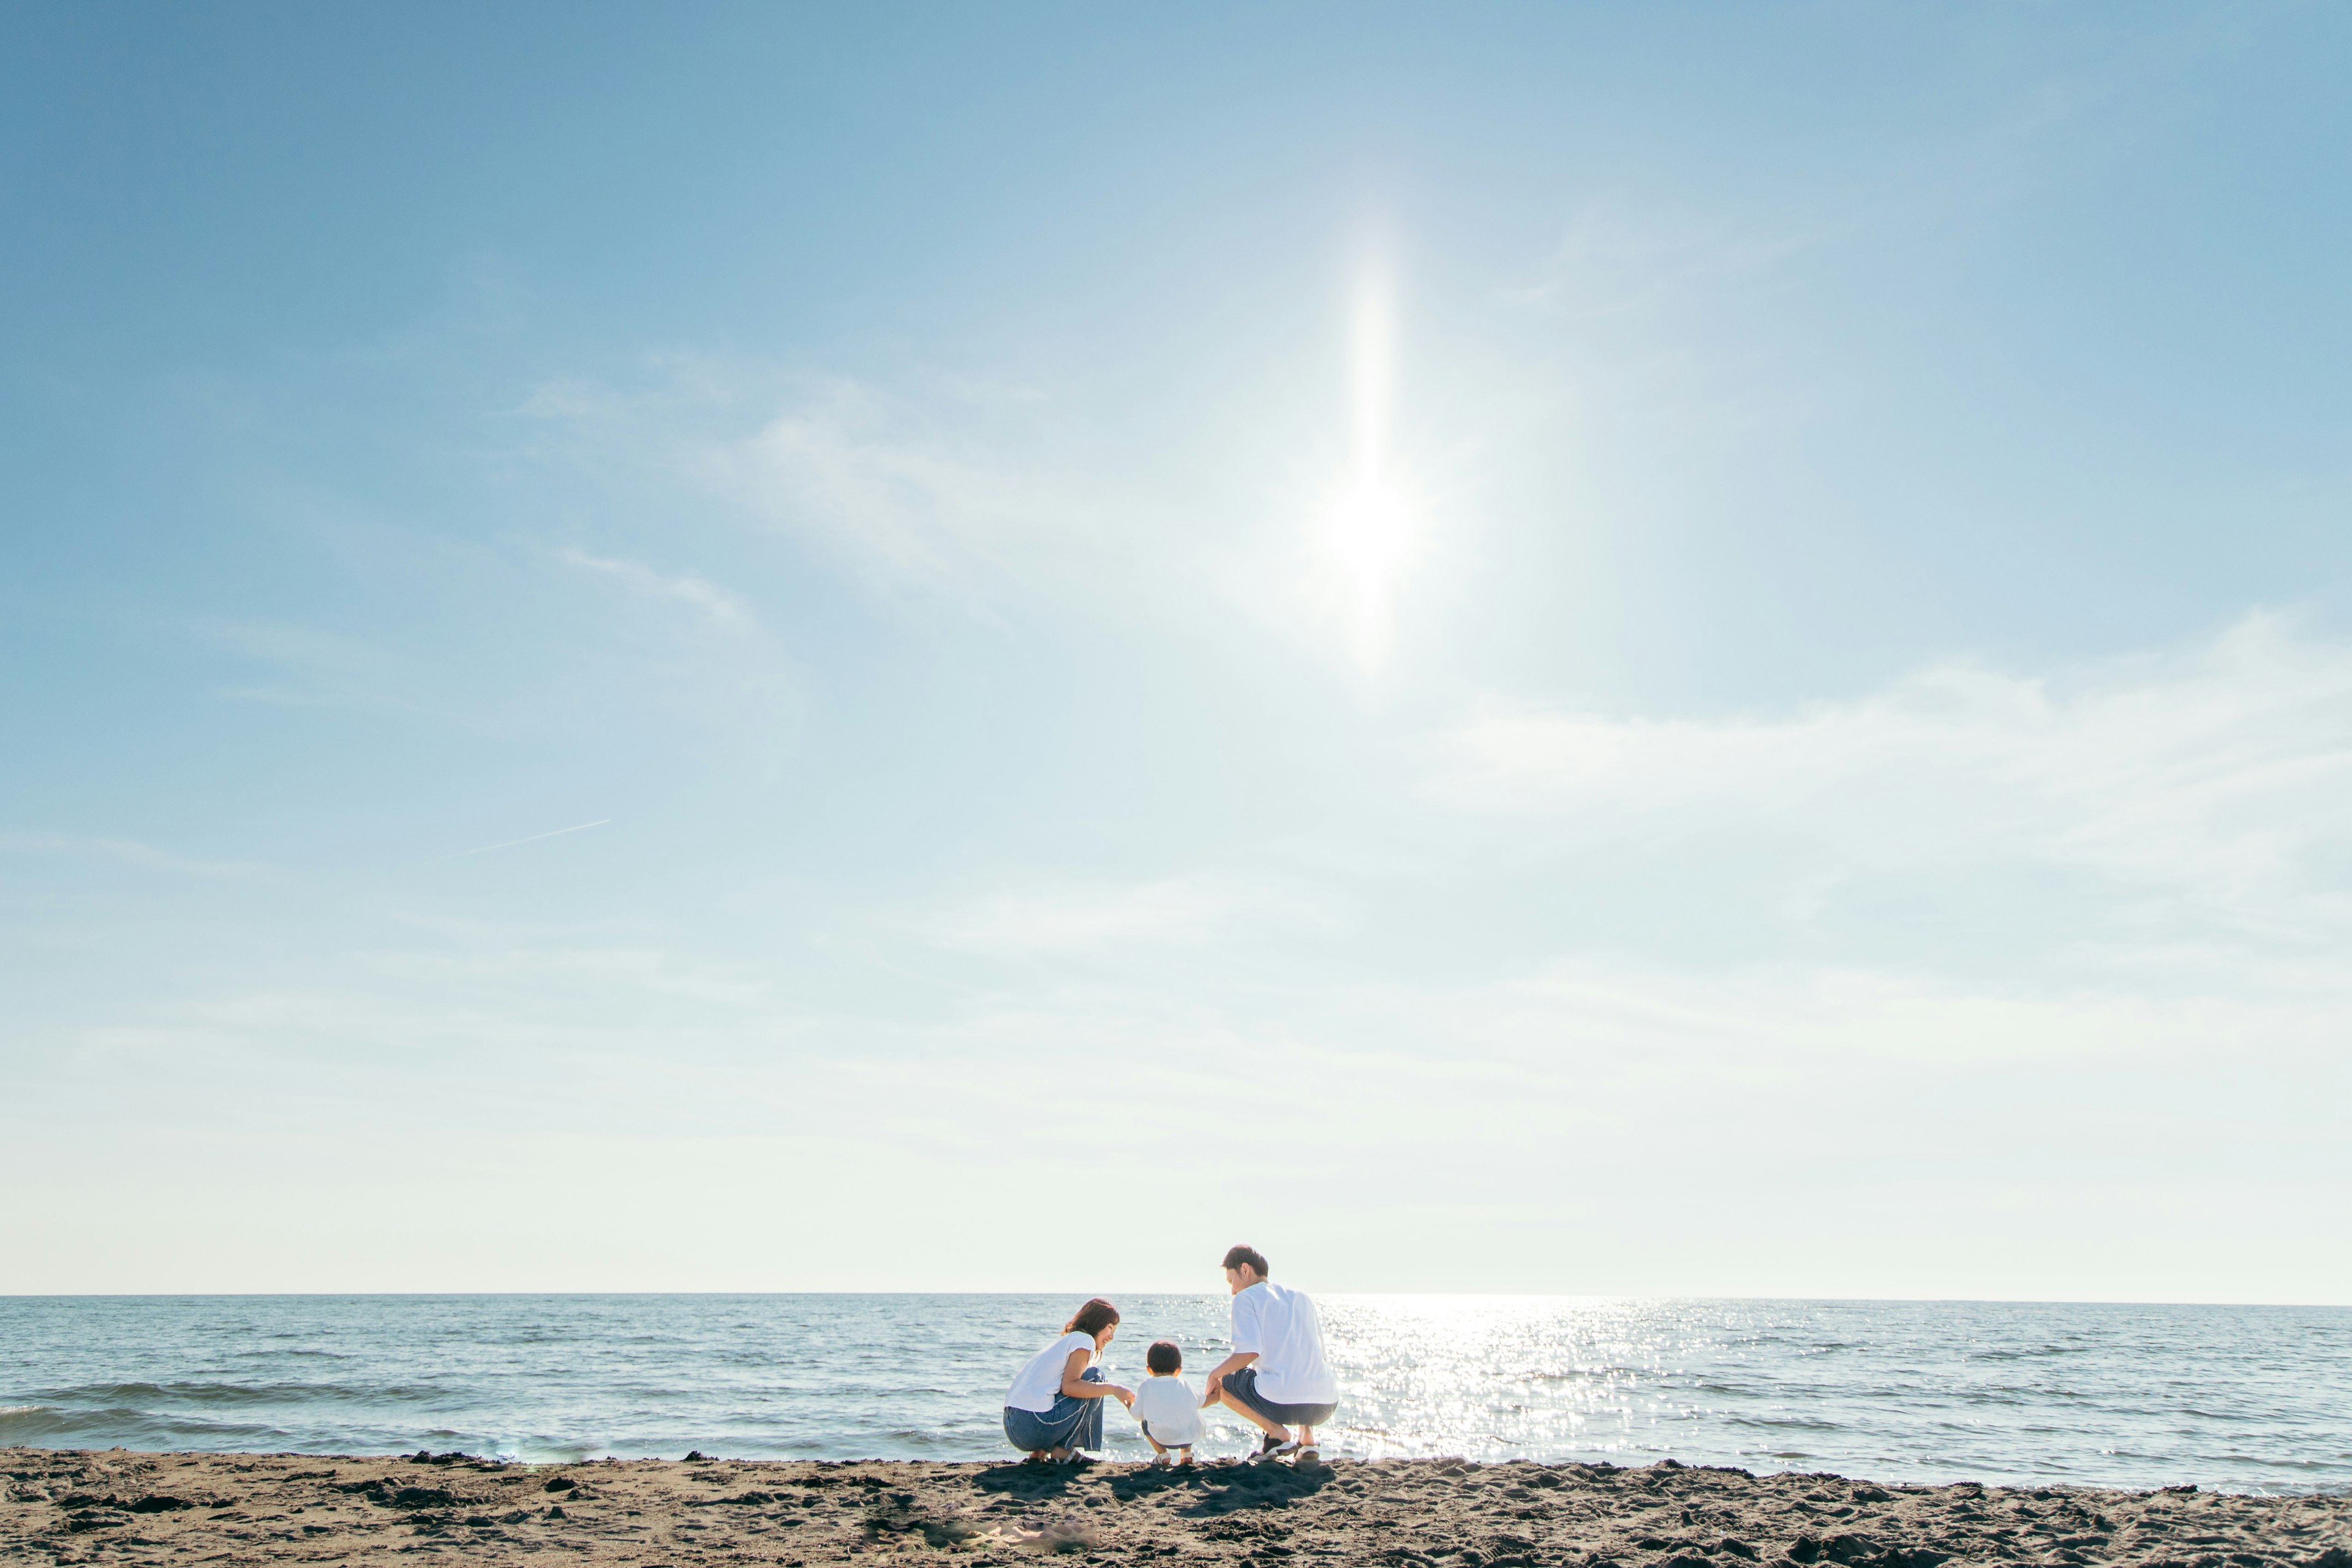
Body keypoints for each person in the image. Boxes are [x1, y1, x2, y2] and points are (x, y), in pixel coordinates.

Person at [1200, 1244, 1338, 1462]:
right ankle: (1307, 1439)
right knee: (1302, 1362)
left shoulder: (1245, 1298)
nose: (1232, 1290)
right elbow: (1318, 1355)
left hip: (1281, 1405)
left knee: (1223, 1383)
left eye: (1231, 1281)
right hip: (1325, 1404)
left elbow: (1249, 1353)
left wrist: (1213, 1375)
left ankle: (1277, 1434)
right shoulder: (1301, 1297)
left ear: (1245, 1269)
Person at [1003, 1298, 1134, 1462]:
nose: (1112, 1336)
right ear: (1097, 1322)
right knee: (1096, 1377)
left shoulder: (1069, 1340)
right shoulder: (1085, 1340)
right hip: (1033, 1424)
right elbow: (1070, 1387)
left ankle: (1040, 1452)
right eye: (1110, 1328)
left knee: (1083, 1382)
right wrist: (1115, 1389)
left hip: (1013, 1425)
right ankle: (1063, 1450)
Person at [1129, 1340, 1204, 1466]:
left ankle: (1162, 1454)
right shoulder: (1185, 1385)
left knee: (1144, 1422)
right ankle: (1186, 1453)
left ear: (1149, 1369)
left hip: (1161, 1439)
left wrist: (1129, 1405)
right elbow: (1201, 1402)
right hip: (1188, 1438)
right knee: (1190, 1416)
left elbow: (1137, 1415)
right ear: (1178, 1370)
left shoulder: (1146, 1386)